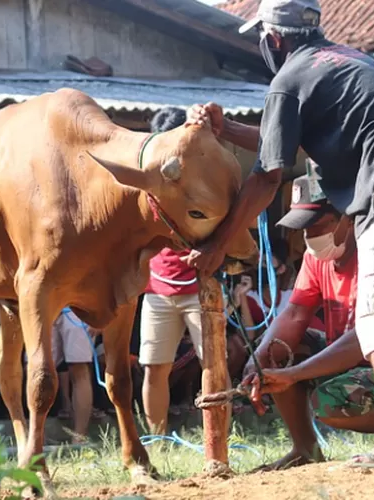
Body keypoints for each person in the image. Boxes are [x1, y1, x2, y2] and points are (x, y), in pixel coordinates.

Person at [184, 0, 374, 465]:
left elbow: (268, 174)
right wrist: (228, 130)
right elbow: (290, 139)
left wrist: (217, 245)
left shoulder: (288, 78)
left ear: (273, 39)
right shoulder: (343, 60)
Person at [241, 176, 374, 470]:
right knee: (278, 348)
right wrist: (259, 357)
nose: (310, 236)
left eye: (318, 225)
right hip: (352, 364)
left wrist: (296, 374)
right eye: (305, 228)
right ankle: (305, 450)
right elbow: (295, 313)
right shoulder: (316, 259)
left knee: (328, 401)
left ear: (347, 218)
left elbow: (367, 336)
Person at [139, 106, 230, 434]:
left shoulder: (210, 173)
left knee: (213, 366)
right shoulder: (147, 180)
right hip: (158, 289)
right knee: (153, 368)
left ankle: (217, 439)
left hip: (200, 285)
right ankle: (156, 440)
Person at [53, 310, 94, 443]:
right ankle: (35, 438)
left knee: (79, 369)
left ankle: (79, 437)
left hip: (78, 307)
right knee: (37, 368)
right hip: (43, 305)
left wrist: (99, 314)